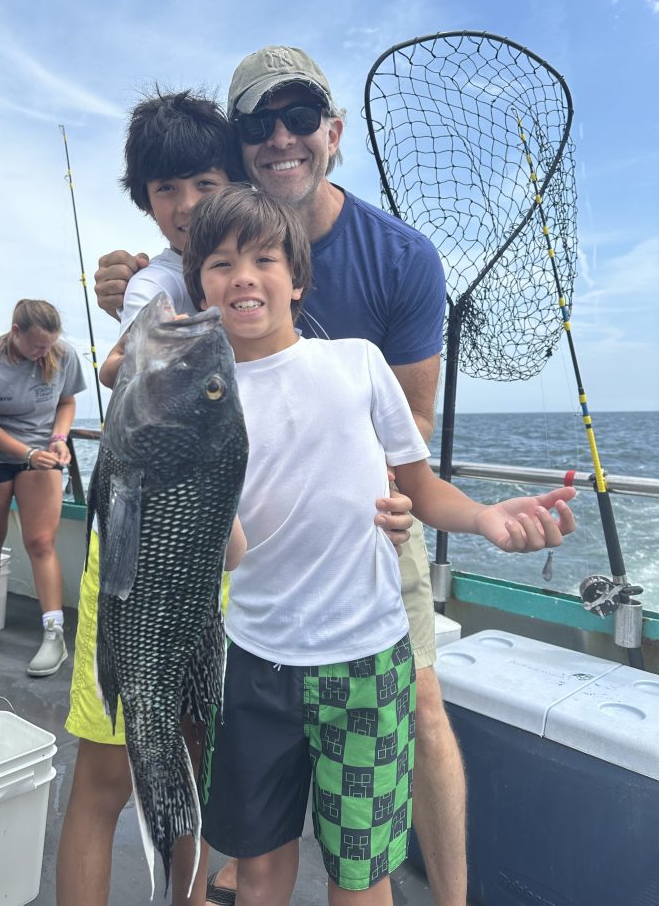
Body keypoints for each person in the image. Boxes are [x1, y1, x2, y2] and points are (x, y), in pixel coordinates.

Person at [93, 45, 465, 905]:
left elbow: (411, 425)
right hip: (241, 547)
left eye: (301, 120)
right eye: (261, 124)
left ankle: (448, 897)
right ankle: (234, 864)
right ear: (242, 145)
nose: (283, 137)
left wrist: (402, 500)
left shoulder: (400, 256)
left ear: (331, 134)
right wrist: (129, 318)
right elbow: (144, 331)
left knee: (425, 708)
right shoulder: (185, 268)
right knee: (231, 718)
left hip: (369, 529)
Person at [182, 183, 576, 905]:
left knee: (360, 875)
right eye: (219, 263)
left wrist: (487, 518)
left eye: (265, 258)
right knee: (260, 869)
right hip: (254, 661)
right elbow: (227, 550)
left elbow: (422, 490)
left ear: (298, 280)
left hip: (366, 664)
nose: (243, 275)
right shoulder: (199, 397)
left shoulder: (358, 363)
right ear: (200, 290)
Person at [0, 298, 86, 676]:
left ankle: (54, 633)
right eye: (37, 346)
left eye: (50, 344)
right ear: (15, 333)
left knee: (40, 542)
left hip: (43, 455)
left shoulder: (62, 354)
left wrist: (59, 438)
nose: (45, 352)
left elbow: (67, 402)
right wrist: (25, 452)